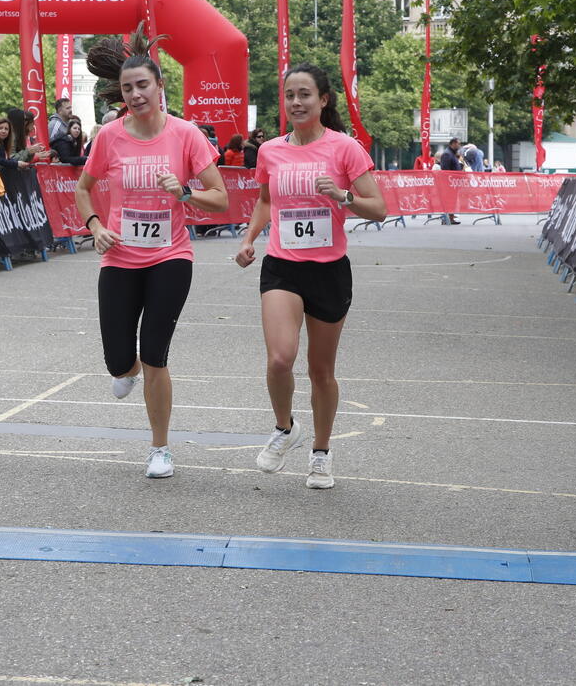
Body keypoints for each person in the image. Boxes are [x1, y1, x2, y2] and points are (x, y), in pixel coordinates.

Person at [75, 34, 228, 479]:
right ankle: (128, 365)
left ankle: (160, 448)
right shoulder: (109, 136)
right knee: (119, 365)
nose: (136, 95)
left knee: (156, 352)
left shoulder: (185, 135)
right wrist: (96, 226)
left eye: (143, 85)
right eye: (127, 89)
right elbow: (84, 190)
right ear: (120, 94)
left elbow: (219, 199)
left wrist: (184, 192)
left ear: (160, 86)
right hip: (120, 258)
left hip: (170, 257)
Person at [234, 63, 386, 489]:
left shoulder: (345, 149)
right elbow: (265, 200)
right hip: (282, 266)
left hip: (329, 272)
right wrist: (250, 238)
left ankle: (321, 452)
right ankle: (285, 428)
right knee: (280, 358)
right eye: (290, 96)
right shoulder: (270, 152)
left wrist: (343, 196)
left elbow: (379, 207)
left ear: (323, 100)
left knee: (321, 371)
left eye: (305, 95)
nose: (296, 102)